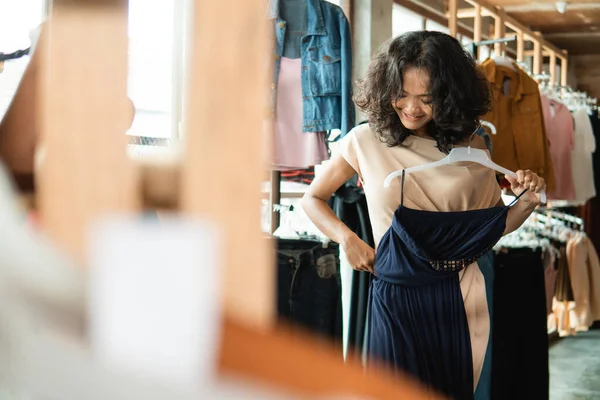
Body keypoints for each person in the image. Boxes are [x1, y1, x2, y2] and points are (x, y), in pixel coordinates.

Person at [302, 31, 545, 399]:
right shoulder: (364, 140)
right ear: (386, 88)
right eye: (401, 94)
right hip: (395, 293)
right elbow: (312, 199)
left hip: (461, 293)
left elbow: (493, 227)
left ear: (449, 97)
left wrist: (526, 200)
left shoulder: (473, 146)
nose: (411, 107)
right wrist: (347, 239)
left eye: (427, 98)